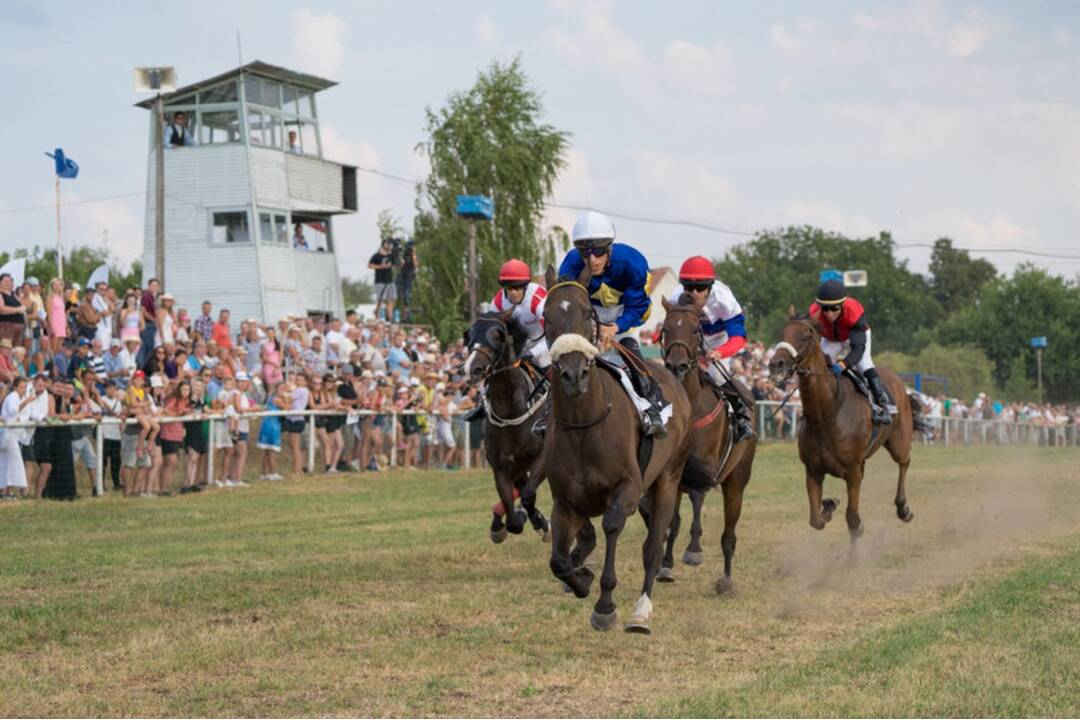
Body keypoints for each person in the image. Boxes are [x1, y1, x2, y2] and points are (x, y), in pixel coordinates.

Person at [554, 210, 667, 436]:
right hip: (587, 316)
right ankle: (548, 413)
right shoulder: (569, 265)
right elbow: (567, 304)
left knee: (634, 360)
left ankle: (654, 407)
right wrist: (590, 326)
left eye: (598, 251)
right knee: (562, 362)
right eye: (584, 252)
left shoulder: (633, 263)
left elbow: (639, 307)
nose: (592, 259)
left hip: (625, 316)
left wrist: (615, 327)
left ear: (609, 247)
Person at [668, 256, 756, 442]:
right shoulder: (676, 297)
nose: (693, 293)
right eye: (688, 287)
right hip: (690, 339)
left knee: (716, 376)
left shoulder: (724, 300)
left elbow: (739, 337)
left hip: (718, 339)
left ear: (709, 287)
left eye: (700, 288)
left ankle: (741, 417)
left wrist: (719, 352)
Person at [463, 258, 550, 422]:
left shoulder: (538, 299)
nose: (513, 293)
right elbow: (488, 336)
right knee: (493, 365)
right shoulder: (496, 304)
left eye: (518, 288)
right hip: (518, 344)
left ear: (526, 286)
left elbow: (554, 334)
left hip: (544, 342)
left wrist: (533, 353)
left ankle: (557, 406)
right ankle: (481, 404)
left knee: (549, 365)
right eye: (508, 288)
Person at [810, 278, 895, 424]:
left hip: (854, 337)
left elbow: (858, 349)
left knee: (864, 365)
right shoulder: (814, 314)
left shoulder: (854, 312)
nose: (829, 314)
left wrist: (843, 364)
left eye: (834, 308)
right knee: (820, 366)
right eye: (825, 309)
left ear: (842, 305)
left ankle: (884, 406)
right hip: (831, 339)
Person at [0, 376, 31, 499]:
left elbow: (23, 415)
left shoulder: (20, 398)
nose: (24, 389)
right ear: (15, 387)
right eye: (22, 387)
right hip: (7, 435)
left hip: (13, 435)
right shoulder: (12, 397)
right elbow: (13, 412)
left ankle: (6, 490)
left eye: (25, 387)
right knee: (14, 462)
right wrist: (27, 401)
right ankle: (15, 489)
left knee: (8, 463)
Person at [258, 382, 288, 480]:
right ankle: (272, 473)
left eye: (284, 388)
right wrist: (287, 398)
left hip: (269, 424)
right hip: (272, 425)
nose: (283, 390)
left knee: (267, 451)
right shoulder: (276, 399)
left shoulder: (273, 398)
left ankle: (264, 473)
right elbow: (287, 407)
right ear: (276, 389)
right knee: (271, 450)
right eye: (281, 388)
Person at [369, 238, 397, 322]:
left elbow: (396, 265)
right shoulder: (377, 255)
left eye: (390, 244)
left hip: (390, 281)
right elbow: (370, 265)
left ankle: (390, 318)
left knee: (392, 299)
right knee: (380, 300)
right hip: (380, 281)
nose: (389, 245)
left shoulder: (391, 255)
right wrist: (381, 266)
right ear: (384, 244)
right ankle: (377, 317)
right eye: (388, 243)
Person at [0, 272, 26, 347]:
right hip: (6, 326)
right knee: (5, 347)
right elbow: (1, 309)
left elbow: (22, 306)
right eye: (5, 281)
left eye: (9, 281)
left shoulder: (13, 294)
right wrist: (17, 309)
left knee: (16, 349)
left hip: (18, 325)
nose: (7, 283)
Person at [138, 278, 159, 367]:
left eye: (156, 286)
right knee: (147, 349)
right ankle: (143, 368)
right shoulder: (147, 296)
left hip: (151, 325)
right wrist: (154, 320)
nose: (154, 287)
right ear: (149, 286)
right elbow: (143, 310)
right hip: (148, 325)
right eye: (152, 285)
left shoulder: (153, 297)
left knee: (149, 348)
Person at [395, 240, 418, 322]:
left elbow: (416, 266)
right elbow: (399, 265)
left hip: (408, 277)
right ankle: (396, 317)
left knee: (406, 298)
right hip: (401, 277)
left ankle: (406, 317)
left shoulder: (414, 256)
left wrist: (413, 255)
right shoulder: (403, 255)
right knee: (397, 296)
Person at [47, 277, 68, 354]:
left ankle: (55, 364)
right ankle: (50, 365)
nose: (56, 286)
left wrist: (66, 326)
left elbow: (63, 313)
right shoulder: (50, 297)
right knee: (53, 349)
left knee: (59, 349)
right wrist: (52, 327)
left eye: (59, 284)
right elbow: (49, 314)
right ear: (51, 286)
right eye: (54, 284)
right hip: (55, 324)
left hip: (62, 324)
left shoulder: (61, 297)